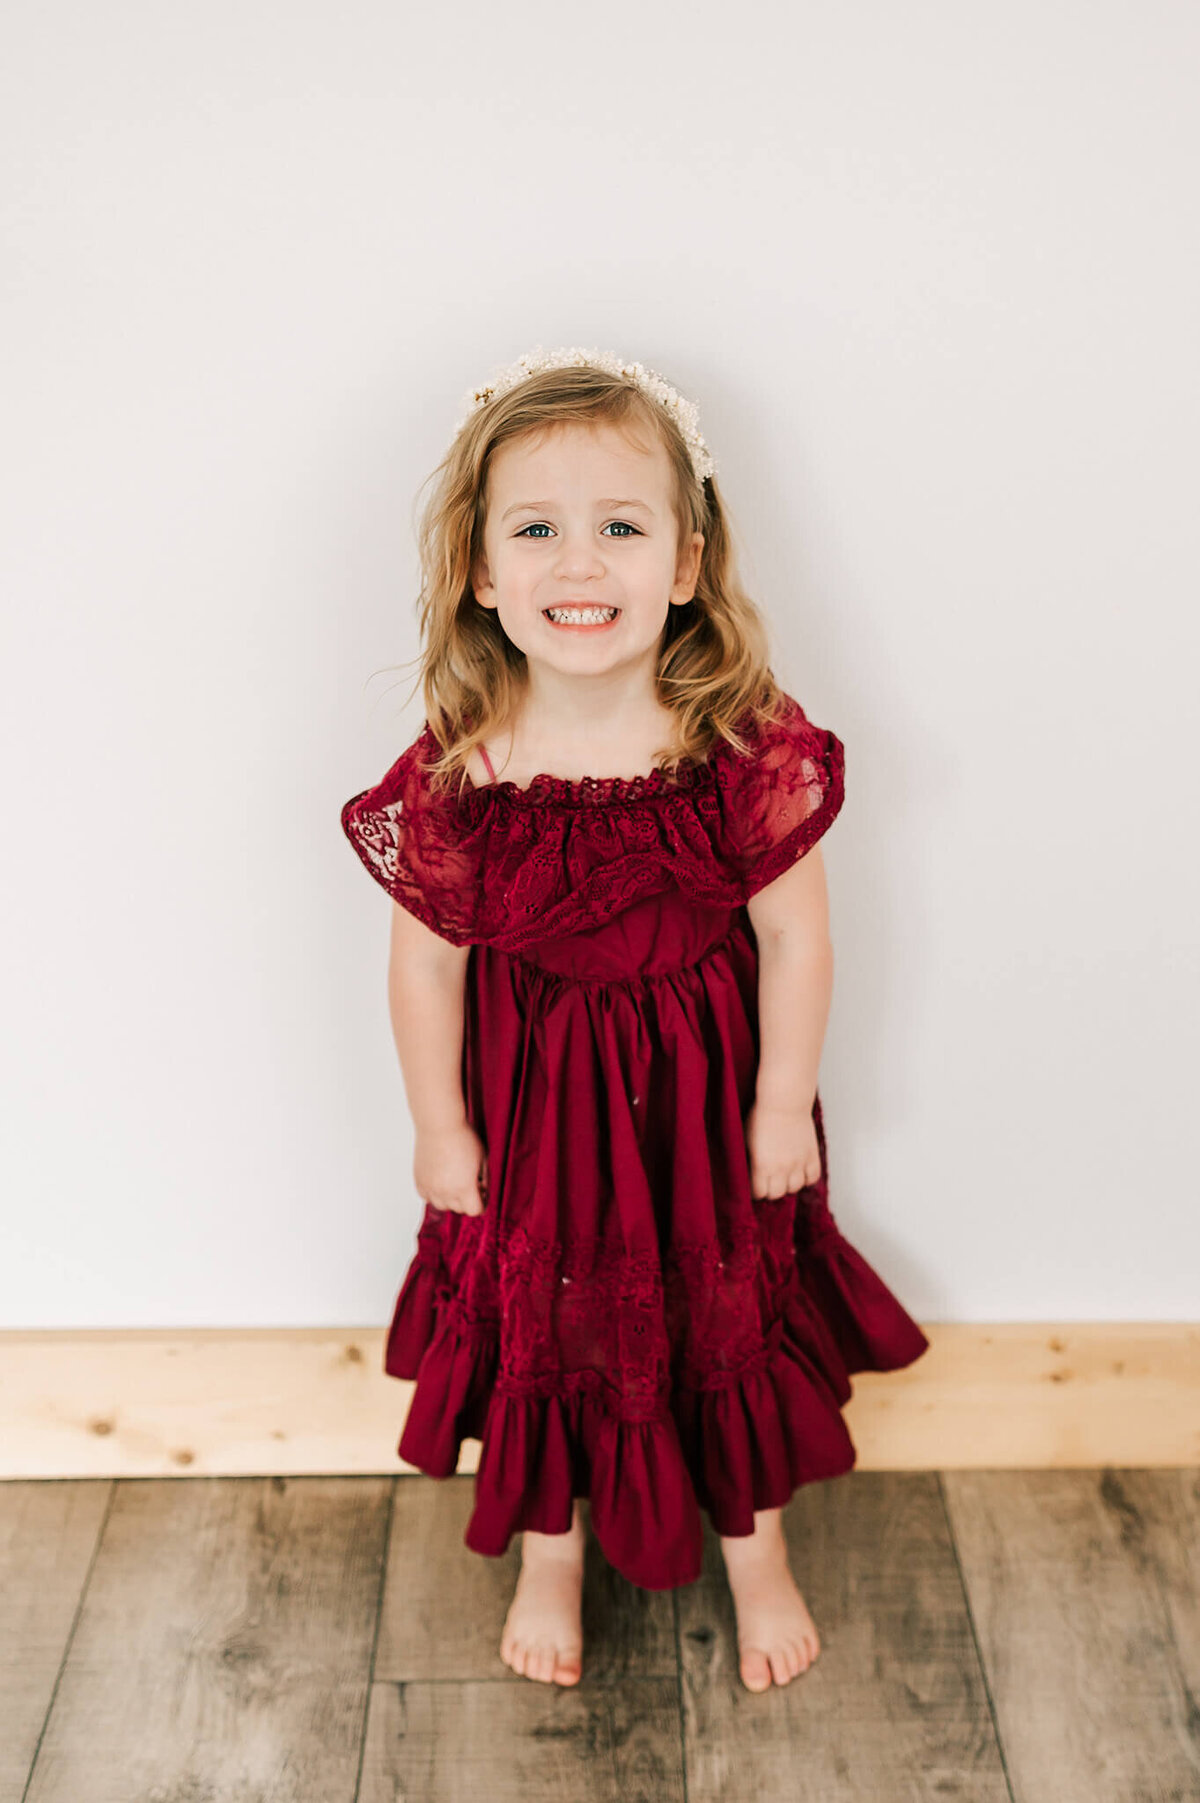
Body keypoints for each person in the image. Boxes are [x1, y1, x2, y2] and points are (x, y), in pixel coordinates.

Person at [340, 346, 929, 1694]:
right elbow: (425, 969)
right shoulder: (465, 772)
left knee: (720, 1312)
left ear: (684, 562)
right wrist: (440, 1129)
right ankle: (551, 1550)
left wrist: (784, 1101)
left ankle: (753, 1539)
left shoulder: (734, 747)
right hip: (540, 1118)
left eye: (619, 527)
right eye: (537, 531)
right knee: (548, 1317)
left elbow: (797, 935)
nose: (579, 565)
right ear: (483, 573)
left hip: (708, 1114)